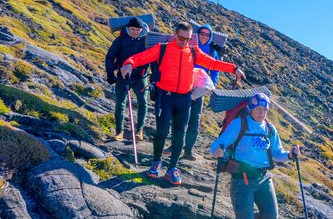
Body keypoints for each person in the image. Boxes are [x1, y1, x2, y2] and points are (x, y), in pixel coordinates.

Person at [121, 22, 246, 185]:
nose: (184, 42)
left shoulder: (193, 51)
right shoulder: (162, 48)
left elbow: (213, 63)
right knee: (162, 131)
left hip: (184, 99)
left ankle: (172, 168)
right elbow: (141, 57)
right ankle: (156, 162)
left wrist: (234, 68)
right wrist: (129, 63)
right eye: (181, 38)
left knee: (179, 133)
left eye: (187, 39)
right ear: (174, 34)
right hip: (165, 97)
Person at [211, 93, 301, 219]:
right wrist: (216, 151)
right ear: (250, 108)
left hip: (264, 179)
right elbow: (218, 143)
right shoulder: (240, 124)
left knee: (271, 216)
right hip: (242, 180)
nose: (262, 113)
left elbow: (277, 153)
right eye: (258, 109)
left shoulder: (270, 129)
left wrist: (290, 155)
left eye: (265, 110)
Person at [104, 17, 150, 141]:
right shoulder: (121, 40)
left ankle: (139, 130)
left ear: (142, 29)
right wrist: (110, 73)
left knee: (143, 102)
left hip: (141, 76)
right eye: (133, 29)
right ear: (128, 29)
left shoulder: (147, 41)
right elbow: (110, 57)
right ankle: (119, 131)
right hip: (123, 76)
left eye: (138, 30)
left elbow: (154, 57)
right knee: (120, 102)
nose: (135, 32)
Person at [181, 24, 221, 161]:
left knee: (194, 120)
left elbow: (215, 70)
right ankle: (175, 145)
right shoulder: (189, 46)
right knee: (180, 118)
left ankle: (188, 149)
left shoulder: (211, 51)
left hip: (199, 89)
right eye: (201, 33)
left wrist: (211, 85)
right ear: (197, 34)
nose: (204, 36)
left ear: (210, 37)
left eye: (207, 35)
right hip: (183, 85)